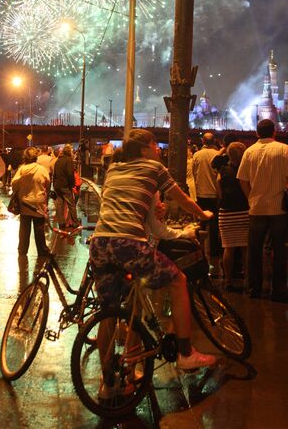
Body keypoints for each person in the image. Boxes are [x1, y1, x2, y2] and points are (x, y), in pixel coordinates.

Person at [90, 129, 215, 398]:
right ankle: (185, 353)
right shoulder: (154, 167)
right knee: (178, 280)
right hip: (128, 243)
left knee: (109, 313)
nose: (158, 149)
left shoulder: (114, 169)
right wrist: (202, 213)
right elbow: (180, 197)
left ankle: (109, 384)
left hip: (100, 242)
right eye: (154, 145)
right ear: (145, 149)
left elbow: (130, 201)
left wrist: (152, 208)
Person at [237, 119, 288, 302]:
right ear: (274, 132)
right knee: (280, 252)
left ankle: (254, 289)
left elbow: (242, 180)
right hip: (279, 209)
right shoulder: (284, 150)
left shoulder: (249, 152)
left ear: (257, 133)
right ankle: (279, 291)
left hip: (256, 208)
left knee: (254, 251)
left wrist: (251, 197)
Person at [216, 142, 249, 291]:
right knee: (245, 249)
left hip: (226, 211)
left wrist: (224, 200)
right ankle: (248, 279)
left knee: (228, 248)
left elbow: (219, 188)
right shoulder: (246, 169)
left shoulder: (222, 170)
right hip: (244, 210)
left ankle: (228, 280)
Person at [12, 147, 50, 257]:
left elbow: (14, 185)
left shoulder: (22, 169)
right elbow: (47, 183)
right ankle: (42, 251)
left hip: (25, 203)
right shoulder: (42, 169)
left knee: (24, 230)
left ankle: (22, 250)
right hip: (38, 203)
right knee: (39, 230)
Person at [192, 132, 221, 276]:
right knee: (215, 225)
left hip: (201, 193)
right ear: (214, 140)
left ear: (203, 140)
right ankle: (215, 251)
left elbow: (194, 173)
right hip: (215, 193)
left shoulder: (197, 155)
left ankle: (200, 249)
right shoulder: (217, 154)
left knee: (201, 224)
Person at [53, 144, 79, 229]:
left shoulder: (58, 160)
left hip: (57, 186)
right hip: (65, 186)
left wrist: (54, 185)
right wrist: (72, 185)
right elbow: (70, 174)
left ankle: (61, 223)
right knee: (71, 204)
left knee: (60, 204)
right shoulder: (68, 160)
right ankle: (75, 223)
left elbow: (55, 174)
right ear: (69, 152)